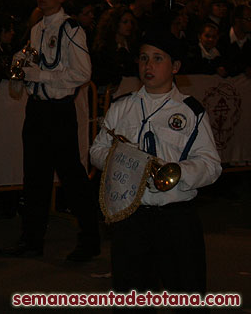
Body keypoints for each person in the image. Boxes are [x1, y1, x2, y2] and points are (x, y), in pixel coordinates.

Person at [89, 31, 221, 306]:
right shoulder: (121, 106)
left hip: (176, 217)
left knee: (187, 297)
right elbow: (97, 151)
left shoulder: (190, 112)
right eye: (144, 58)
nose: (148, 66)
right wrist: (125, 161)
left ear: (175, 67)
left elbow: (211, 164)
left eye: (158, 59)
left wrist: (178, 173)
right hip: (131, 217)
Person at [0, 0, 100, 261]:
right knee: (34, 176)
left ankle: (89, 239)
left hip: (59, 111)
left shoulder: (71, 29)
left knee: (72, 177)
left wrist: (39, 75)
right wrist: (22, 69)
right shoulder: (37, 28)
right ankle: (31, 240)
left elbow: (82, 73)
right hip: (37, 110)